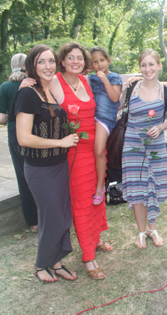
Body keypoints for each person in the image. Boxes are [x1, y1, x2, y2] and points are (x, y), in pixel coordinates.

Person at [21, 43, 111, 280]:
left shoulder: (87, 81)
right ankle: (88, 258)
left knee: (95, 197)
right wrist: (24, 81)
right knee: (81, 202)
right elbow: (35, 89)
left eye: (79, 58)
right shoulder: (54, 81)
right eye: (70, 57)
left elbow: (112, 88)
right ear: (62, 61)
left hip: (95, 150)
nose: (75, 61)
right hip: (74, 152)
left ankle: (94, 240)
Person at [13, 44, 79, 282]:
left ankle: (57, 262)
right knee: (53, 217)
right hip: (40, 169)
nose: (48, 66)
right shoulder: (27, 93)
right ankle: (42, 265)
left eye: (51, 61)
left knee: (61, 214)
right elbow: (23, 137)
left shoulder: (49, 90)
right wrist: (61, 143)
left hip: (60, 166)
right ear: (32, 65)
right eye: (41, 61)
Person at [121, 49, 167, 249]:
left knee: (154, 186)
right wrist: (123, 86)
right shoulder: (132, 87)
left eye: (152, 64)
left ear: (159, 66)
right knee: (137, 188)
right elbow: (117, 107)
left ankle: (153, 228)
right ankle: (141, 232)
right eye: (143, 65)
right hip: (132, 146)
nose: (147, 69)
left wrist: (160, 126)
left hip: (156, 146)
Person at [0, 53, 38, 232]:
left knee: (23, 178)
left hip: (16, 134)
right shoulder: (34, 83)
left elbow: (2, 118)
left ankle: (33, 223)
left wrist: (12, 114)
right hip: (35, 132)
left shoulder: (5, 87)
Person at [88, 47, 122, 205]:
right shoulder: (90, 78)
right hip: (90, 117)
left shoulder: (114, 77)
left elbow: (115, 98)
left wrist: (104, 79)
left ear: (109, 60)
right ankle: (92, 182)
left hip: (105, 118)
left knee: (99, 149)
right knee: (90, 152)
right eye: (95, 61)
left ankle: (101, 186)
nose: (99, 64)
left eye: (101, 60)